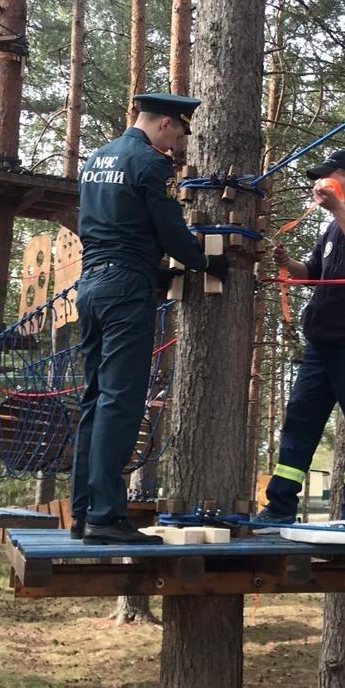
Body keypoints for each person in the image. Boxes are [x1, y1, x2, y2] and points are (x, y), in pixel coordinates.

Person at [71, 93, 228, 545]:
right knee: (120, 399)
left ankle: (84, 512)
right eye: (178, 135)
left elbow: (106, 221)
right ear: (163, 124)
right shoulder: (149, 161)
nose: (178, 146)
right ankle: (105, 515)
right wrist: (201, 261)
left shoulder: (98, 158)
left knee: (95, 398)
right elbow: (167, 224)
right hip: (124, 287)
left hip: (93, 284)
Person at [256, 149, 345, 525]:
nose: (322, 185)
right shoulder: (333, 227)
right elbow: (314, 273)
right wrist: (288, 265)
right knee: (300, 422)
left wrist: (338, 208)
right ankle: (281, 506)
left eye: (329, 176)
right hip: (320, 342)